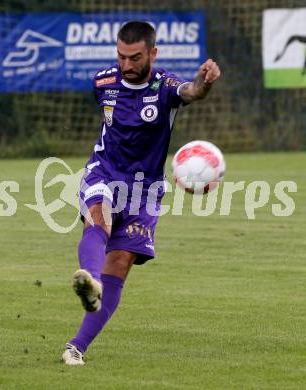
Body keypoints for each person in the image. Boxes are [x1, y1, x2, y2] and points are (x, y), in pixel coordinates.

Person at [62, 20, 221, 365]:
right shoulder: (103, 82)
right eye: (121, 56)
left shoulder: (165, 87)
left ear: (152, 53)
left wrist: (204, 81)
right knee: (98, 220)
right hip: (103, 172)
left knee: (119, 262)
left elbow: (192, 92)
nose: (126, 65)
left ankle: (76, 347)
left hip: (145, 191)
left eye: (135, 58)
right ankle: (89, 280)